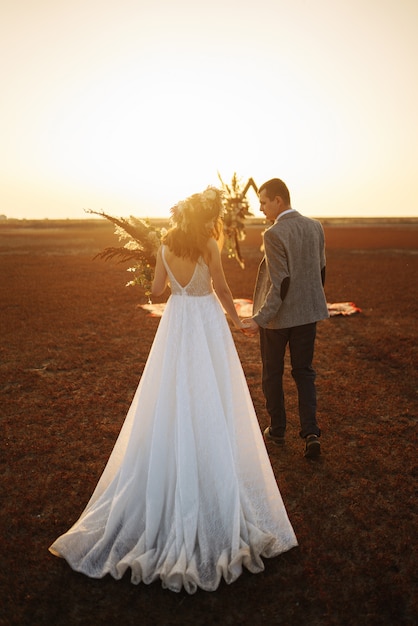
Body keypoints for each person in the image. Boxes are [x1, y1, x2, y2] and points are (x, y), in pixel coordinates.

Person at [49, 186, 297, 594]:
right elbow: (219, 285)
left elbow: (156, 293)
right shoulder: (208, 244)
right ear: (207, 218)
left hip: (176, 323)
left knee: (170, 395)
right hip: (206, 324)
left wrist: (152, 276)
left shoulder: (165, 245)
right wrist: (236, 320)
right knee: (211, 394)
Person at [242, 178, 329, 459]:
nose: (261, 209)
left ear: (278, 201)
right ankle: (311, 433)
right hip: (307, 315)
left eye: (263, 202)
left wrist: (259, 318)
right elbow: (321, 272)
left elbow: (281, 282)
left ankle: (277, 430)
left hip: (277, 320)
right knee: (304, 373)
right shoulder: (315, 226)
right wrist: (309, 304)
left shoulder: (274, 233)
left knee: (272, 373)